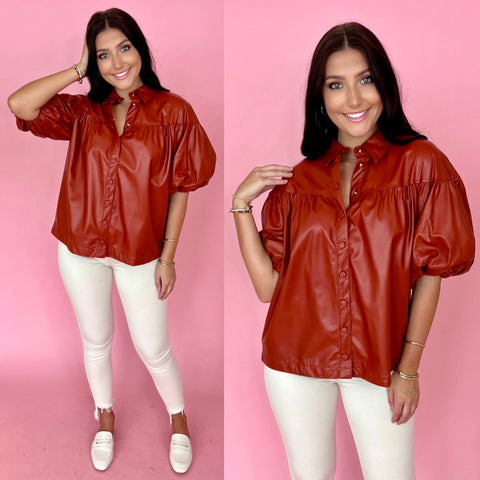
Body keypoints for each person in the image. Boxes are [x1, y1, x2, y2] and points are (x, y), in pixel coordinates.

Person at [231, 22, 474, 479]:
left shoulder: (423, 167)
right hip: (294, 364)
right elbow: (269, 289)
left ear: (383, 82)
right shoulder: (298, 182)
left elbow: (430, 275)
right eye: (336, 85)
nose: (355, 100)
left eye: (365, 79)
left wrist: (408, 370)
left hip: (379, 362)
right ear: (320, 98)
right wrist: (241, 205)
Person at [8, 8, 215, 474]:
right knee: (96, 339)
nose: (116, 61)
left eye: (124, 47)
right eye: (102, 54)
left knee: (153, 346)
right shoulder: (84, 112)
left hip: (140, 253)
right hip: (78, 248)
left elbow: (183, 185)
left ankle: (179, 420)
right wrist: (76, 70)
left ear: (140, 48)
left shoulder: (173, 112)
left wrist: (169, 256)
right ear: (93, 62)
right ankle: (105, 416)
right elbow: (19, 106)